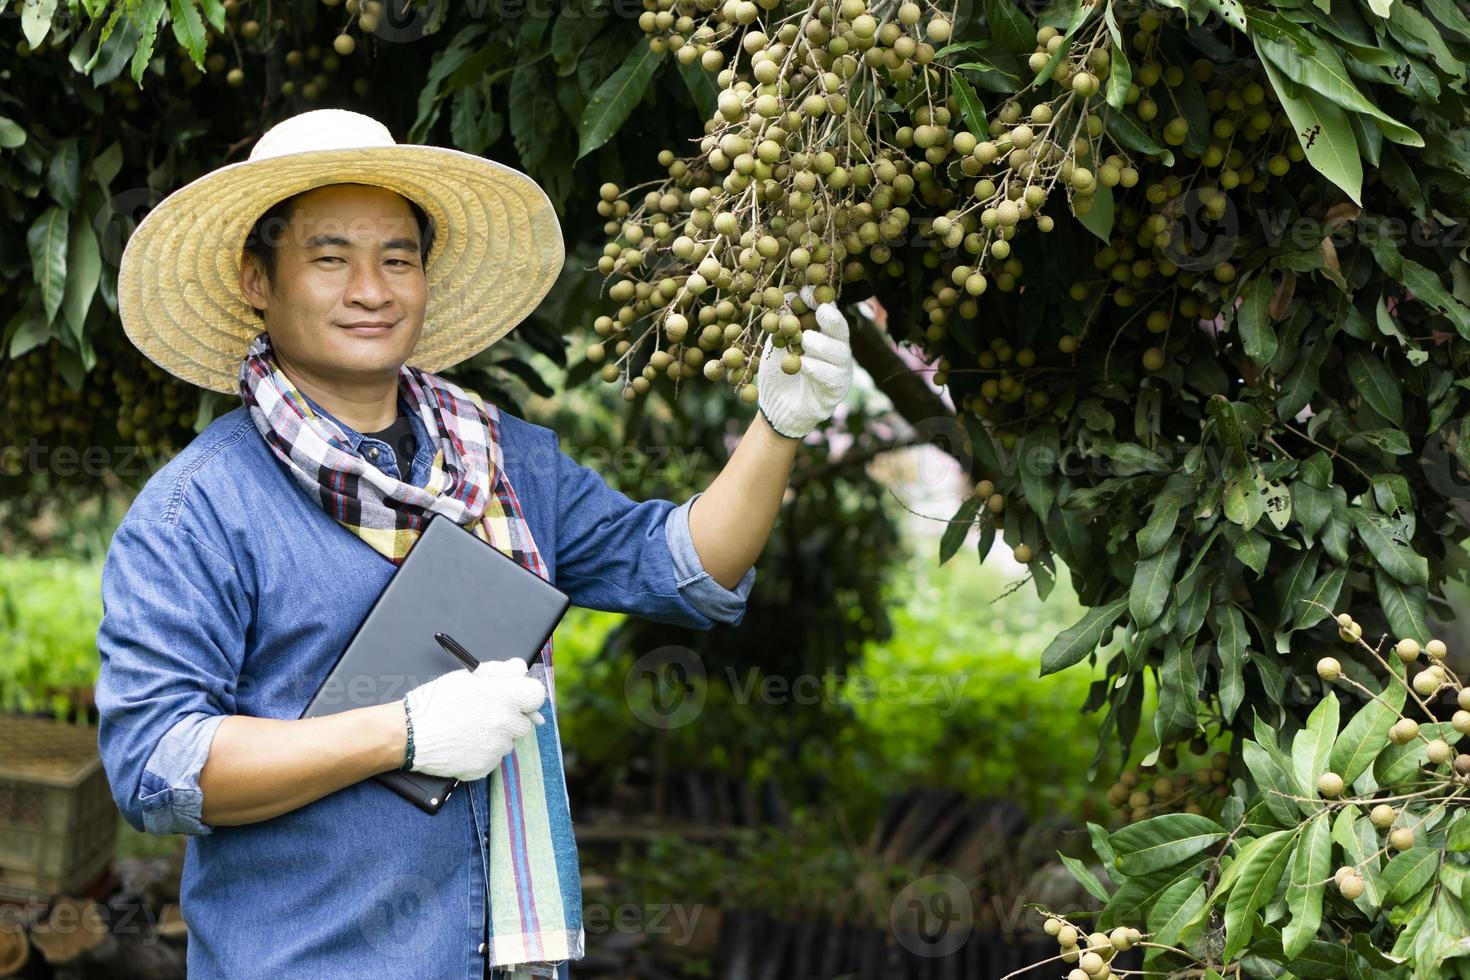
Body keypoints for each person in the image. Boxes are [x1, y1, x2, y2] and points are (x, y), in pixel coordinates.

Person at [94, 108, 853, 980]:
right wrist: (402, 733)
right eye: (329, 258)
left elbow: (685, 568)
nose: (371, 289)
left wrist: (777, 426)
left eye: (398, 258)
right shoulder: (201, 510)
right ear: (256, 280)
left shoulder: (505, 463)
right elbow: (161, 766)